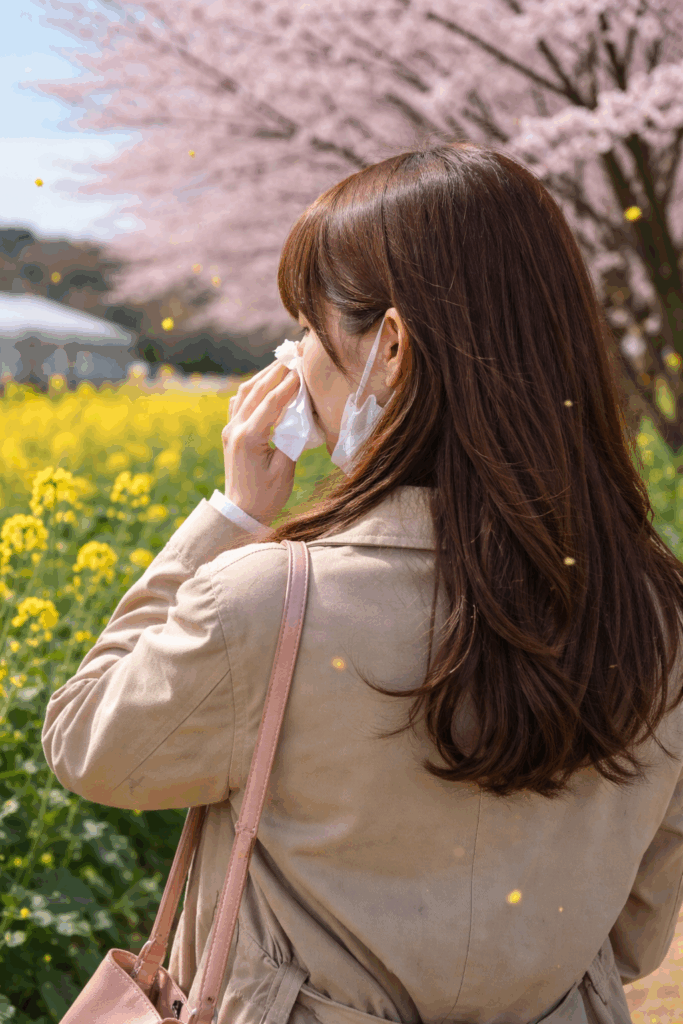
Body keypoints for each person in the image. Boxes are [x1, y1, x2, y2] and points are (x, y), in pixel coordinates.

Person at [42, 142, 683, 1024]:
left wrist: (230, 519)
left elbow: (87, 744)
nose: (296, 356)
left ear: (389, 349)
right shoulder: (659, 617)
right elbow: (636, 933)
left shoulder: (275, 601)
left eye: (306, 329)